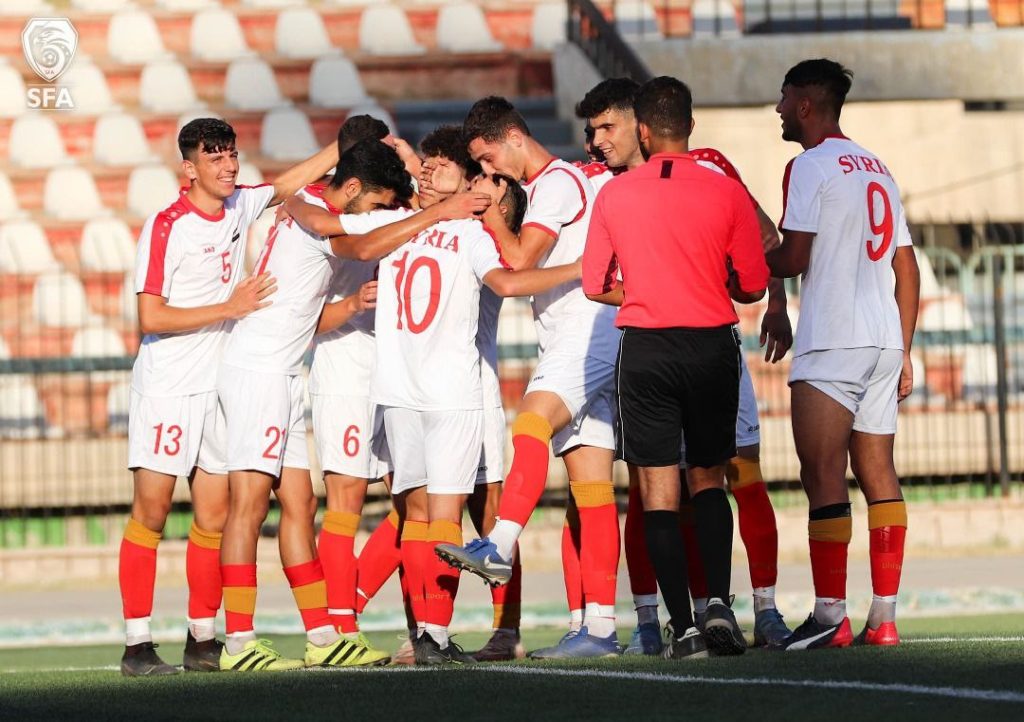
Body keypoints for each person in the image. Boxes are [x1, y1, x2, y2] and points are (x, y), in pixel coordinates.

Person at [291, 170, 582, 664]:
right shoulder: (451, 229)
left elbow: (509, 269)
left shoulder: (430, 229)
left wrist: (292, 199)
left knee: (448, 516)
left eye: (438, 166)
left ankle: (487, 630)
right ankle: (431, 632)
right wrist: (580, 267)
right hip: (450, 392)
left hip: (424, 391)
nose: (425, 173)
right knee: (441, 516)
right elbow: (508, 276)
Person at [575, 77, 793, 652]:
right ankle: (720, 603)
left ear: (643, 131)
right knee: (710, 478)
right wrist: (706, 283)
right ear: (690, 127)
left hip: (646, 347)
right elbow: (752, 284)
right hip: (711, 344)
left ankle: (681, 626)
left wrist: (650, 289)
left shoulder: (615, 194)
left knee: (655, 489)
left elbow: (595, 284)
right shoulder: (722, 187)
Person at [119, 118, 339, 677]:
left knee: (213, 515)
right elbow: (150, 315)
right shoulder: (166, 226)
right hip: (169, 385)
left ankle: (201, 638)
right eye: (214, 157)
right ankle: (137, 645)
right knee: (151, 511)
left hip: (219, 383)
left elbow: (285, 186)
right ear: (189, 168)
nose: (228, 166)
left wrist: (343, 146)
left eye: (232, 155)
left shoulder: (240, 204)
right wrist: (229, 308)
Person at [436, 97, 623, 659]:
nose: (488, 171)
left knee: (530, 421)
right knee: (591, 489)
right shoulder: (554, 186)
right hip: (574, 331)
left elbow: (519, 264)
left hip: (587, 331)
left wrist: (493, 212)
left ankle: (499, 542)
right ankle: (600, 627)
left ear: (514, 137)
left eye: (488, 158)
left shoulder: (557, 183)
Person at [766, 59, 919, 650]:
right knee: (879, 472)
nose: (779, 109)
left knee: (823, 473)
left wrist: (737, 260)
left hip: (833, 337)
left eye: (784, 98)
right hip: (883, 339)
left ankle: (831, 615)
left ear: (805, 104)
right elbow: (907, 267)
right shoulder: (877, 165)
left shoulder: (808, 164)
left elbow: (793, 257)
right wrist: (905, 350)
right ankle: (884, 617)